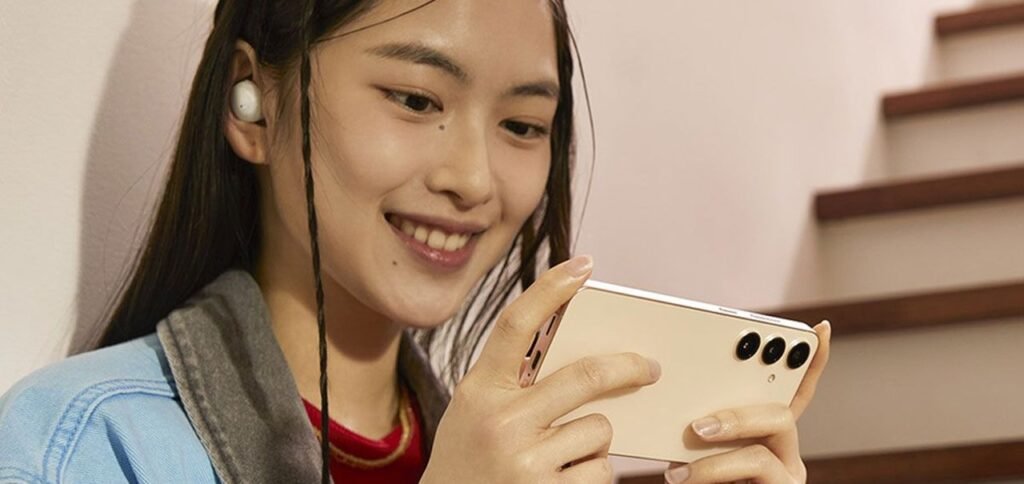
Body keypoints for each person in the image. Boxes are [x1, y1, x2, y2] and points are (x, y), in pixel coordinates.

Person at [0, 0, 832, 482]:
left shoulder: (518, 459)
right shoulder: (83, 441)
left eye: (522, 125)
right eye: (415, 100)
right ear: (251, 101)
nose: (473, 178)